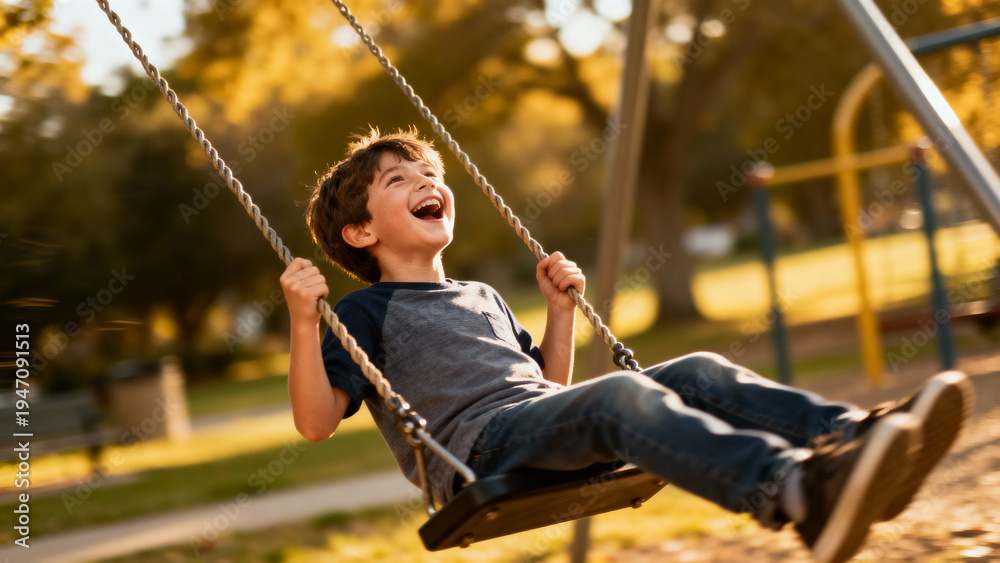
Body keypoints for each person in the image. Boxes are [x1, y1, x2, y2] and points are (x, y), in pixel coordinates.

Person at [279, 127, 974, 563]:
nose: (427, 182)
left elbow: (548, 390)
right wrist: (305, 323)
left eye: (430, 174)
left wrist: (559, 314)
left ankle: (857, 440)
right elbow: (314, 422)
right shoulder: (364, 311)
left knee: (697, 369)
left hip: (530, 426)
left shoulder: (481, 294)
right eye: (398, 180)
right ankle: (794, 489)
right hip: (474, 453)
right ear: (361, 233)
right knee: (617, 396)